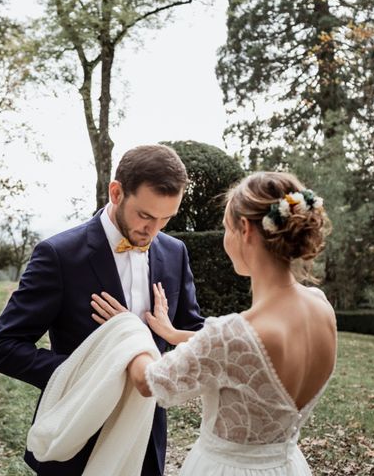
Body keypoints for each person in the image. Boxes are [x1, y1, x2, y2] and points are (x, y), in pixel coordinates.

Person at [93, 171, 336, 475]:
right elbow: (249, 358)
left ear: (245, 229)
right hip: (286, 465)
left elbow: (149, 382)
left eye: (225, 228)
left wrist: (127, 329)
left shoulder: (231, 335)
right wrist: (172, 333)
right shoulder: (320, 306)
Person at [0, 144, 204, 476]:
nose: (153, 230)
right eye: (144, 216)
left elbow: (194, 332)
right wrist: (91, 374)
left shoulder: (175, 252)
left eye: (165, 219)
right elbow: (3, 348)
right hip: (78, 430)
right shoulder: (58, 255)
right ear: (116, 192)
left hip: (145, 435)